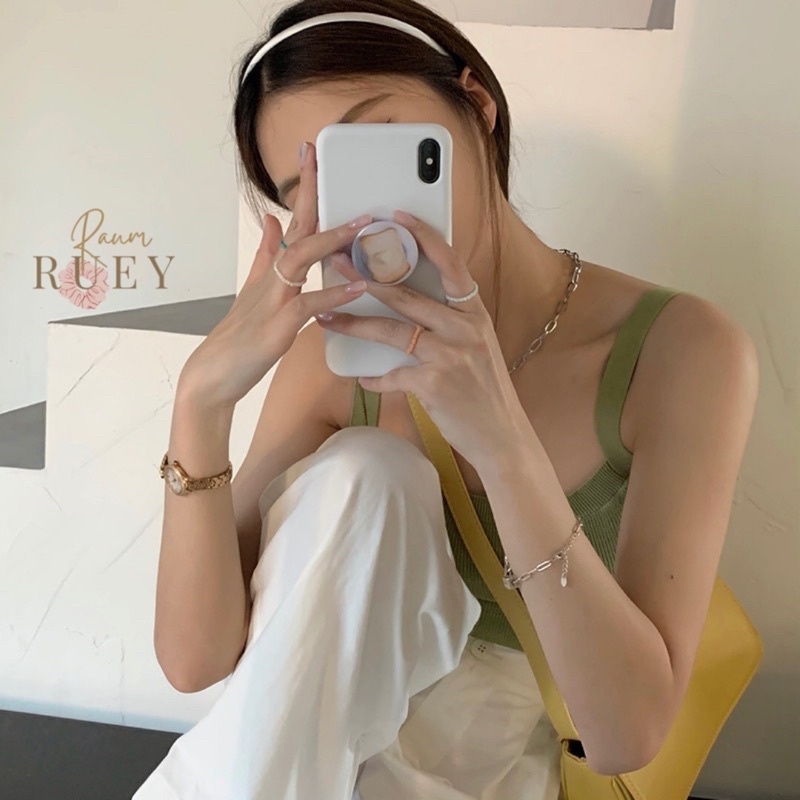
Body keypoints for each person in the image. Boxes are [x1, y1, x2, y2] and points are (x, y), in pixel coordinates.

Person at [139, 1, 760, 798]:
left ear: (476, 104)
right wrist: (200, 404)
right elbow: (195, 662)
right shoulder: (331, 365)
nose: (361, 215)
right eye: (314, 190)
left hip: (512, 775)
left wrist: (501, 442)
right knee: (368, 471)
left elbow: (625, 738)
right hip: (314, 768)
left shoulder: (678, 353)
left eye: (380, 152)